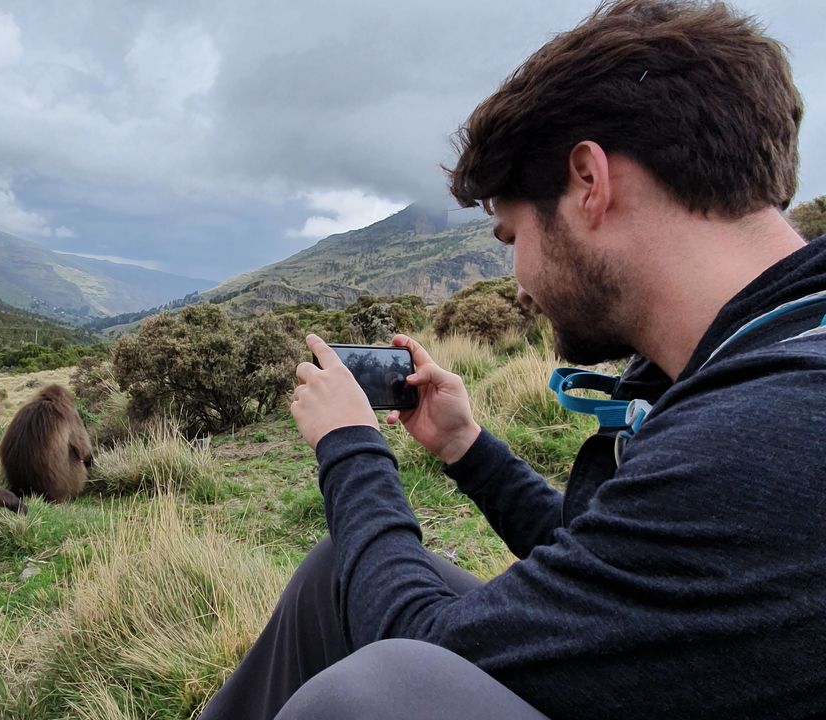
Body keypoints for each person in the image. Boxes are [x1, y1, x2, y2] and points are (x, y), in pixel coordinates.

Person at [198, 1, 826, 718]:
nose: (519, 280)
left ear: (589, 181)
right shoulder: (755, 365)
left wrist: (350, 448)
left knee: (367, 696)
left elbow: (422, 649)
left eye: (509, 234)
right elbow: (620, 574)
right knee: (335, 573)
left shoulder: (768, 430)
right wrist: (468, 450)